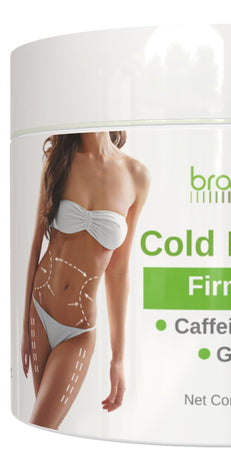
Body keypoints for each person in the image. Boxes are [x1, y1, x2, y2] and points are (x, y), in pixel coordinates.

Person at [21, 131, 150, 429]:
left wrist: (118, 359)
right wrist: (23, 327)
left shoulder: (136, 175)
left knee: (42, 427)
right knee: (45, 431)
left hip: (78, 330)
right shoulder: (58, 160)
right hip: (39, 311)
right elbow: (35, 246)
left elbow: (119, 272)